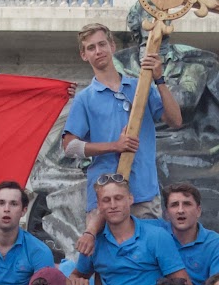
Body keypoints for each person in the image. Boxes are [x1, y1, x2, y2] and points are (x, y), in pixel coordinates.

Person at [62, 22, 181, 217]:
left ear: (112, 46)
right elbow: (69, 147)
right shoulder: (85, 98)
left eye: (102, 44)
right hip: (104, 197)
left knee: (148, 247)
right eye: (91, 48)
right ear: (84, 55)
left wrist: (159, 80)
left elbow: (175, 120)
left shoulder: (140, 86)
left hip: (144, 193)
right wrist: (114, 146)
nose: (98, 51)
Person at [69, 174, 189, 285]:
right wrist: (77, 283)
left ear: (130, 199)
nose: (112, 205)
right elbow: (75, 276)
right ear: (99, 206)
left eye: (118, 198)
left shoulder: (155, 236)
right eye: (106, 200)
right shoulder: (95, 241)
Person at [160, 183, 219, 285]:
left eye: (187, 204)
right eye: (174, 205)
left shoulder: (216, 243)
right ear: (166, 213)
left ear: (198, 211)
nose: (180, 210)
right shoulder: (156, 235)